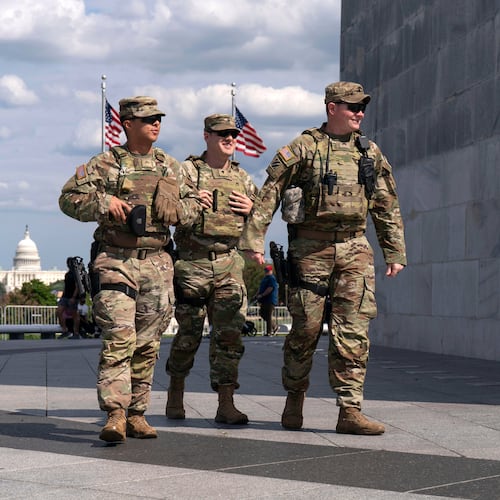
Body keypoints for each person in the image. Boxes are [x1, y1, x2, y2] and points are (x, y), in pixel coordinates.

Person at [240, 82, 406, 435]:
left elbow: (386, 204)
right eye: (352, 107)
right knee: (306, 329)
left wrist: (394, 251)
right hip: (310, 251)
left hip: (354, 248)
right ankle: (294, 398)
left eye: (362, 107)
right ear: (332, 108)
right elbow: (271, 191)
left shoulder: (369, 153)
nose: (360, 112)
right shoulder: (304, 147)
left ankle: (350, 410)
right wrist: (254, 238)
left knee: (354, 331)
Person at [59, 96, 200, 442]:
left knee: (148, 343)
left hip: (157, 262)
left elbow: (198, 205)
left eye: (158, 118)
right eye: (148, 119)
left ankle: (137, 413)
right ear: (127, 124)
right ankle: (115, 413)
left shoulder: (171, 166)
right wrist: (103, 202)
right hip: (114, 259)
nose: (156, 124)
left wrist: (180, 211)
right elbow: (67, 198)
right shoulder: (105, 164)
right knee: (119, 336)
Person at [165, 113, 258, 425]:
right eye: (222, 134)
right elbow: (168, 209)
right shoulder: (187, 171)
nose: (229, 138)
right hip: (192, 262)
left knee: (229, 336)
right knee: (188, 335)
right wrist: (189, 200)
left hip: (229, 262)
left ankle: (226, 403)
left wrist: (252, 209)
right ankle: (175, 393)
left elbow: (261, 217)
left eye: (233, 134)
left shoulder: (244, 178)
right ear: (206, 136)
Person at [57, 257, 80, 339]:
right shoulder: (67, 274)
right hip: (65, 296)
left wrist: (73, 297)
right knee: (59, 311)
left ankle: (76, 333)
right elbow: (65, 286)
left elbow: (77, 287)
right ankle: (65, 330)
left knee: (74, 315)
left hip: (72, 297)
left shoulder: (76, 274)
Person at [256, 265, 279, 336]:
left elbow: (270, 288)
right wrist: (257, 294)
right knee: (262, 313)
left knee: (268, 315)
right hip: (264, 300)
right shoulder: (264, 278)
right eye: (266, 270)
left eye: (268, 271)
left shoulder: (271, 278)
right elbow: (261, 288)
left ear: (271, 271)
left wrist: (262, 294)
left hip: (270, 299)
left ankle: (269, 332)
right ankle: (274, 326)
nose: (266, 272)